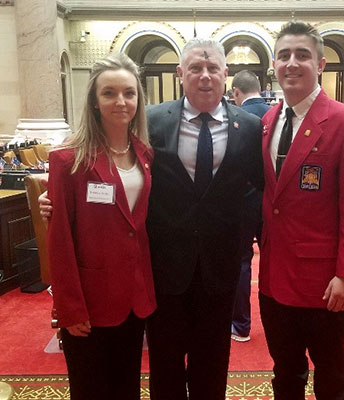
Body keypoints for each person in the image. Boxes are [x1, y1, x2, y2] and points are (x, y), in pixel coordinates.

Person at [40, 39, 264, 400]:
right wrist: (54, 198)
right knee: (165, 371)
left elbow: (264, 190)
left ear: (226, 74)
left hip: (220, 272)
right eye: (194, 68)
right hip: (163, 273)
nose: (204, 76)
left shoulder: (252, 128)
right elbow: (99, 165)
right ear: (180, 74)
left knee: (212, 371)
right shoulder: (152, 123)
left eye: (212, 69)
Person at [259, 20, 344, 400]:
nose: (292, 63)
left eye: (302, 55)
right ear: (274, 64)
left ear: (321, 64)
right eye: (284, 55)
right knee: (285, 371)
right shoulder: (268, 121)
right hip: (274, 278)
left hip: (324, 282)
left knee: (331, 371)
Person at [46, 53, 156, 400]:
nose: (120, 101)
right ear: (94, 100)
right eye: (109, 93)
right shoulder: (68, 159)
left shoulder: (145, 154)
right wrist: (69, 308)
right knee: (90, 389)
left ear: (139, 99)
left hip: (133, 297)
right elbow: (60, 240)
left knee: (126, 387)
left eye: (129, 93)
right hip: (89, 301)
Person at [230, 70, 270, 341]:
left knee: (242, 259)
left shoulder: (234, 119)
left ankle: (241, 325)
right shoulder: (279, 115)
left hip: (242, 201)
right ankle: (279, 324)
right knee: (274, 258)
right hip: (272, 201)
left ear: (235, 93)